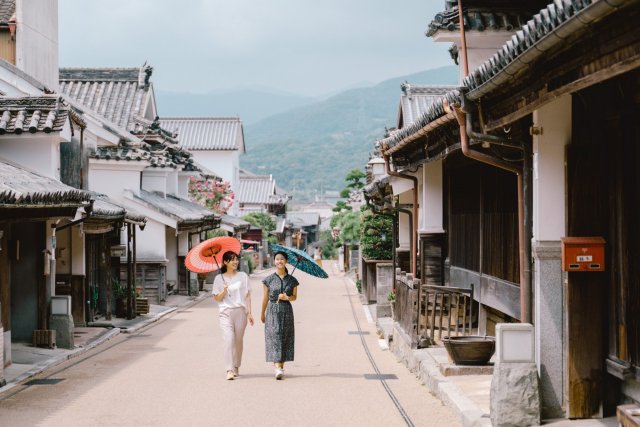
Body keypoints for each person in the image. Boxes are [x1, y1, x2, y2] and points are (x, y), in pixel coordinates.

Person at [211, 251, 254, 380]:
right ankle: (229, 369)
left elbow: (247, 295)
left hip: (240, 312)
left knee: (238, 341)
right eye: (232, 260)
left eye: (236, 259)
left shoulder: (243, 276)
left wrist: (249, 312)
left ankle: (236, 365)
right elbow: (217, 298)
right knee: (228, 339)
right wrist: (224, 290)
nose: (235, 262)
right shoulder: (219, 279)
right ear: (225, 262)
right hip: (225, 313)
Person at [261, 250, 299, 380]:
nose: (280, 261)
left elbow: (294, 297)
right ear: (274, 261)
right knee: (275, 335)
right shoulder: (268, 280)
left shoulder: (292, 280)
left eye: (282, 259)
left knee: (284, 337)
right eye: (277, 259)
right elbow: (265, 298)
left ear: (286, 261)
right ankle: (277, 367)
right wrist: (262, 313)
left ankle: (280, 366)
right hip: (272, 310)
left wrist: (286, 297)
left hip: (286, 311)